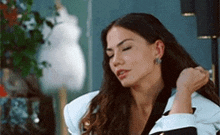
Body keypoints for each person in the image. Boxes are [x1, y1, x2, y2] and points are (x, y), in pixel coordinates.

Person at [64, 13, 220, 135]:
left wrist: (183, 92)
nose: (116, 61)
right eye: (110, 54)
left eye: (126, 48)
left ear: (157, 49)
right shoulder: (87, 111)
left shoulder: (203, 112)